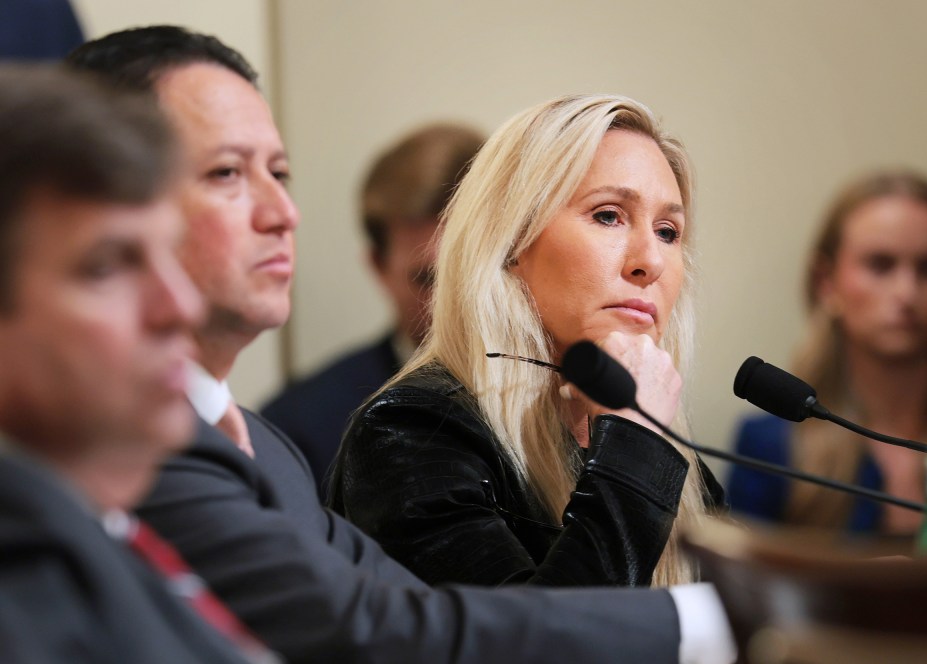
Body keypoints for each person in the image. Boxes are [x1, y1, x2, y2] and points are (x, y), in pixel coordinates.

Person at [68, 26, 735, 664]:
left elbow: (401, 612)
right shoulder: (413, 428)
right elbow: (393, 636)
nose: (283, 212)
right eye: (225, 173)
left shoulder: (264, 448)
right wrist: (725, 614)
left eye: (672, 232)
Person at [331, 94, 725, 589]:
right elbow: (544, 645)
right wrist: (635, 450)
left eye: (668, 231)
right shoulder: (412, 433)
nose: (651, 260)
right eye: (608, 215)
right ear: (512, 242)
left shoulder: (677, 463)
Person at [0, 63, 262, 663]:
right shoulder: (22, 592)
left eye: (168, 252)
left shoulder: (99, 533)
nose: (180, 306)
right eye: (107, 266)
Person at [727, 170, 927, 534]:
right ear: (827, 283)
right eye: (880, 265)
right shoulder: (771, 446)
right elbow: (739, 587)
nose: (907, 292)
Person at [263, 123, 485, 498]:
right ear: (378, 268)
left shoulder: (583, 405)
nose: (459, 302)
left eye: (478, 272)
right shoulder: (301, 429)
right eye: (429, 279)